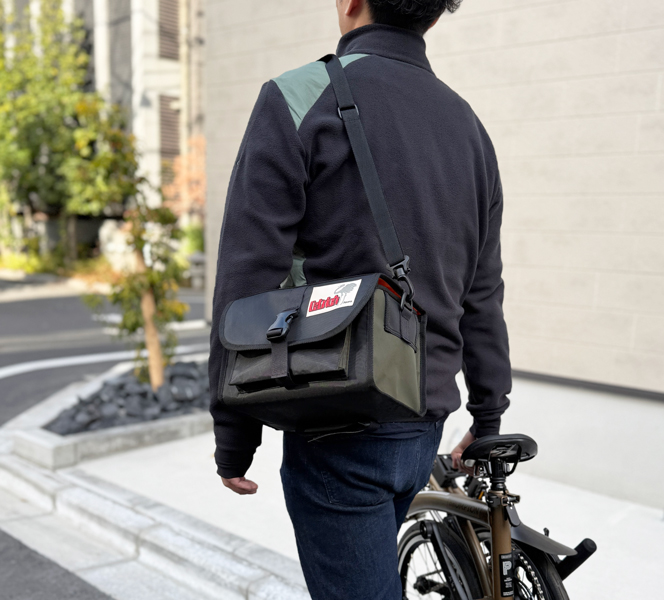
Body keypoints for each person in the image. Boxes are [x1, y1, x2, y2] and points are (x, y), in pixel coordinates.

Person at [209, 0, 511, 597]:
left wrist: (234, 432)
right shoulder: (468, 126)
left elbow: (246, 276)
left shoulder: (299, 97)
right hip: (425, 424)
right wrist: (488, 414)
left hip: (336, 419)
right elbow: (482, 291)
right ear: (433, 15)